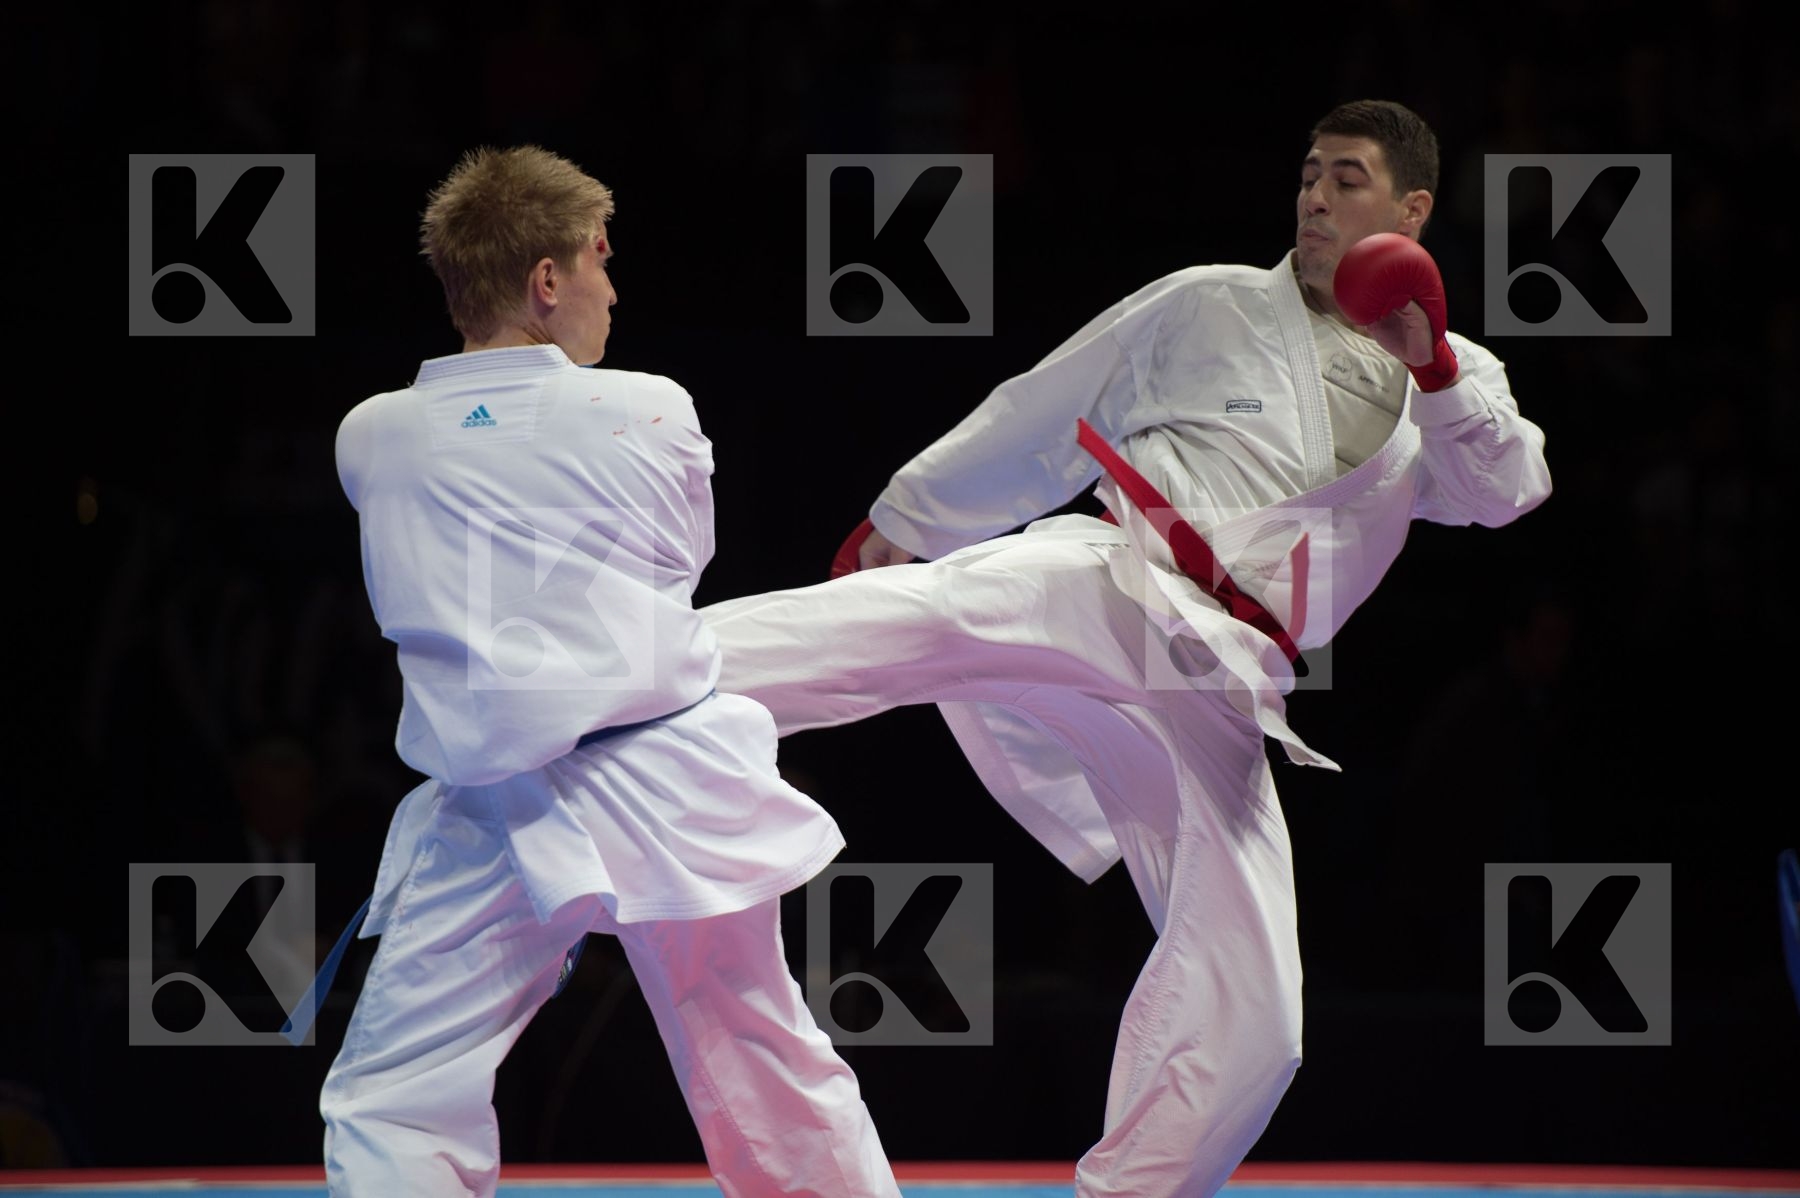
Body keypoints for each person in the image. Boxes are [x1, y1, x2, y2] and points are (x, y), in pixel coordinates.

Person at [701, 100, 1552, 1196]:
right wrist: (908, 520)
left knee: (1260, 1010)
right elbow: (1048, 404)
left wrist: (1429, 366)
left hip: (1221, 687)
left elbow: (1507, 492)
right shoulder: (1210, 301)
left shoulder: (1452, 381)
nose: (1315, 196)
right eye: (1307, 174)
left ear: (1413, 209)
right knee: (919, 613)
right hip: (1112, 578)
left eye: (1347, 178)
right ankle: (628, 681)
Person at [320, 145, 901, 1198]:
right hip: (663, 773)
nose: (612, 288)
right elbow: (682, 561)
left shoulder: (371, 436)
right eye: (600, 259)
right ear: (548, 279)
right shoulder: (650, 406)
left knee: (396, 1091)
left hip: (492, 789)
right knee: (760, 1057)